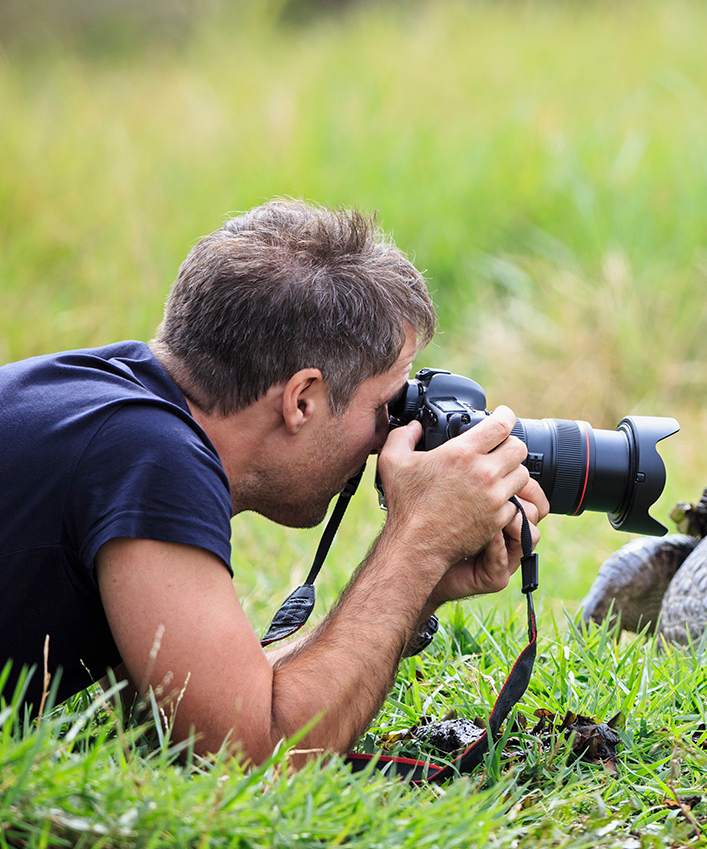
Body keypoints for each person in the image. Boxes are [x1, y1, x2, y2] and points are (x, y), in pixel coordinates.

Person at [0, 199, 547, 764]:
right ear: (302, 400)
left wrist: (421, 587)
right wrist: (419, 542)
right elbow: (247, 756)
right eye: (387, 404)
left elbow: (181, 717)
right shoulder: (150, 459)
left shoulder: (106, 407)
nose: (391, 435)